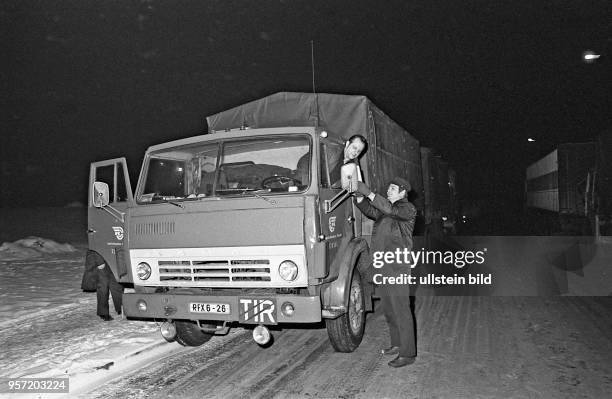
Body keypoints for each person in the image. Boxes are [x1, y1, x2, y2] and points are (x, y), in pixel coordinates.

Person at [354, 177, 417, 368]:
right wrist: (359, 197)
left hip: (398, 268)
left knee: (402, 309)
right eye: (388, 188)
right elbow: (372, 210)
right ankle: (397, 344)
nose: (388, 190)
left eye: (392, 188)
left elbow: (390, 210)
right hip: (384, 267)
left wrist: (369, 192)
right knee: (390, 309)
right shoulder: (387, 210)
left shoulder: (407, 209)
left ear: (402, 192)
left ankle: (408, 354)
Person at [83, 250, 124, 321]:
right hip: (101, 260)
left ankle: (121, 308)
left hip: (112, 259)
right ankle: (103, 313)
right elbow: (95, 244)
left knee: (116, 285)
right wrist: (99, 261)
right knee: (103, 287)